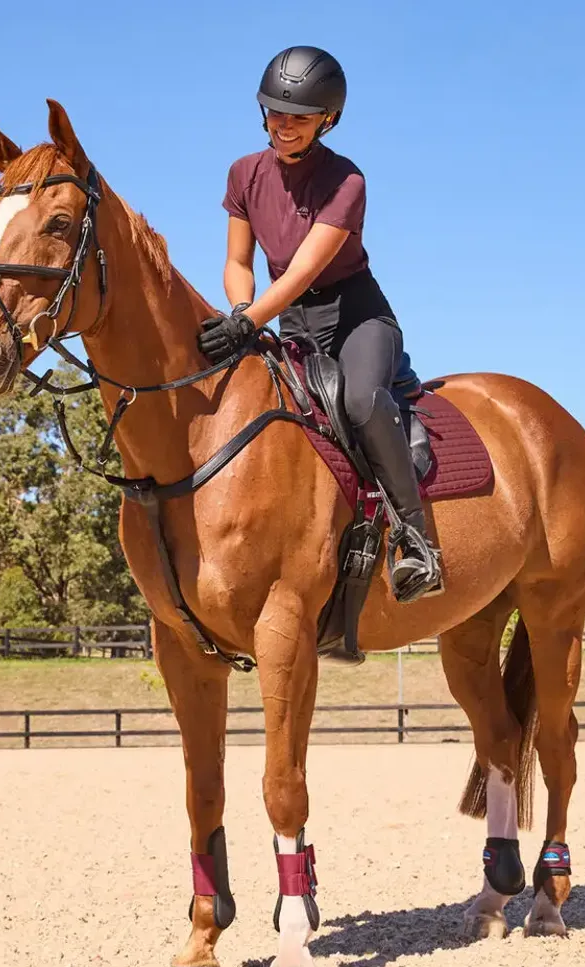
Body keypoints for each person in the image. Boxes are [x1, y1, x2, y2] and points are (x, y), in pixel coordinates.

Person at [197, 46, 442, 603]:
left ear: (327, 120)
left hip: (357, 314)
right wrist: (241, 315)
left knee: (359, 403)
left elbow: (305, 269)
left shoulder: (346, 181)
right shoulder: (243, 173)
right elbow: (239, 263)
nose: (283, 126)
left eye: (299, 118)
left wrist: (249, 321)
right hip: (293, 321)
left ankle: (416, 541)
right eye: (275, 113)